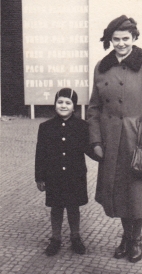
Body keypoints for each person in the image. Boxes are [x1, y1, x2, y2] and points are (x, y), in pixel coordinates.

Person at [87, 15, 142, 263]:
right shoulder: (101, 66)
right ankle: (126, 235)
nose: (121, 43)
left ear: (134, 38)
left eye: (125, 39)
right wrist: (96, 141)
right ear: (110, 40)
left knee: (136, 193)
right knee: (118, 192)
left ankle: (137, 238)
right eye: (116, 39)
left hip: (137, 139)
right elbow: (94, 108)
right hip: (111, 141)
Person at [35, 88, 98, 256]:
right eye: (60, 102)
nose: (63, 106)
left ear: (74, 106)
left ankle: (75, 237)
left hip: (75, 176)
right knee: (56, 207)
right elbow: (40, 153)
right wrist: (39, 177)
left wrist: (102, 154)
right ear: (55, 103)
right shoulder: (45, 127)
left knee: (73, 207)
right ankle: (55, 239)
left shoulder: (82, 126)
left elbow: (89, 149)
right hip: (53, 176)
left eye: (68, 103)